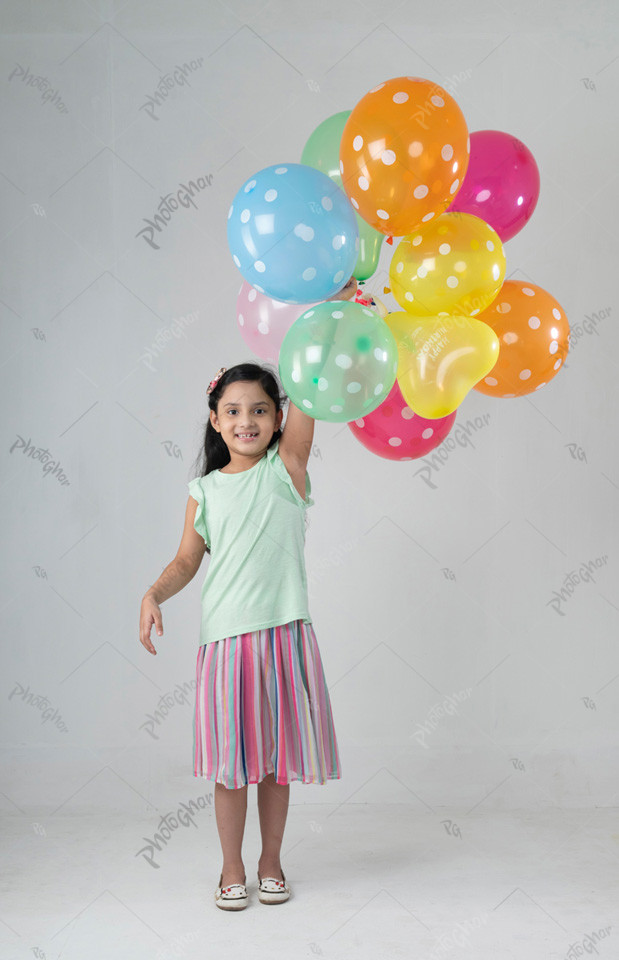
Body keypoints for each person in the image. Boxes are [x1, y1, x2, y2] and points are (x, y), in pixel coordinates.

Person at [138, 277, 357, 911]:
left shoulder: (288, 470)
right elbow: (186, 561)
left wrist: (332, 311)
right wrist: (155, 592)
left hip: (284, 633)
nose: (246, 420)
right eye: (232, 411)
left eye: (260, 409)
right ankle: (231, 867)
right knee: (232, 767)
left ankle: (270, 861)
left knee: (274, 764)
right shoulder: (204, 492)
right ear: (215, 420)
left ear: (279, 419)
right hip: (226, 643)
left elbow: (311, 382)